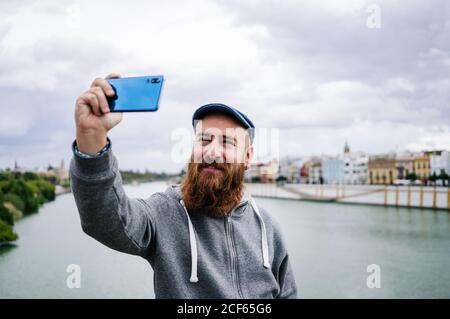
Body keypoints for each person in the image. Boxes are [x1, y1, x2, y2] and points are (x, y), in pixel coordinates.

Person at [70, 73, 298, 299]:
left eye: (227, 142)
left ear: (247, 157)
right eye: (204, 140)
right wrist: (91, 137)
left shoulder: (269, 228)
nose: (211, 152)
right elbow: (104, 220)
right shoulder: (164, 212)